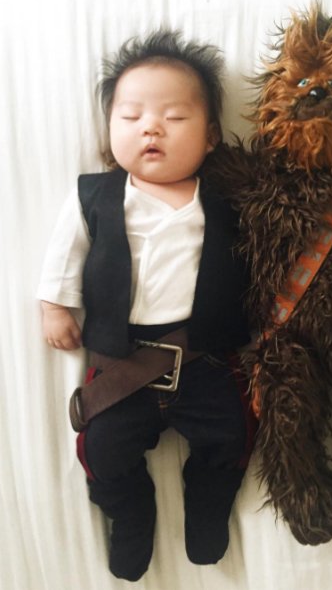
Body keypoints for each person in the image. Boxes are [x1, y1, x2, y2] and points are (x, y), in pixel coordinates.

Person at [37, 29, 254, 582]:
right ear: (110, 130)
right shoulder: (95, 196)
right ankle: (130, 513)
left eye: (174, 117)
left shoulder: (225, 200)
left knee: (232, 437)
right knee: (102, 450)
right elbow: (65, 252)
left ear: (210, 137)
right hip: (121, 360)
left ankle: (208, 506)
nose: (151, 127)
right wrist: (54, 306)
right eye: (131, 116)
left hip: (205, 357)